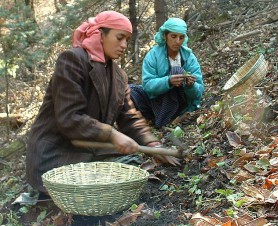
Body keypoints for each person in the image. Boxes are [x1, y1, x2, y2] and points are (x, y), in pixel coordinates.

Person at [26, 11, 179, 194]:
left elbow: (129, 117)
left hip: (88, 153)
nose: (123, 45)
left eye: (127, 40)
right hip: (56, 156)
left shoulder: (119, 76)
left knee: (133, 167)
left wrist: (153, 145)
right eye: (119, 37)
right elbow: (69, 118)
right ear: (100, 34)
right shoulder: (72, 60)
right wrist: (112, 135)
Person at [130, 18, 204, 128]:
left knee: (177, 70)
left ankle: (164, 120)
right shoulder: (153, 55)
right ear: (165, 36)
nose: (178, 41)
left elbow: (199, 91)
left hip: (179, 102)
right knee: (130, 90)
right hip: (155, 100)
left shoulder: (189, 57)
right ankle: (153, 117)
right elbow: (147, 85)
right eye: (173, 36)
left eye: (181, 37)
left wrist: (190, 85)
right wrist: (168, 81)